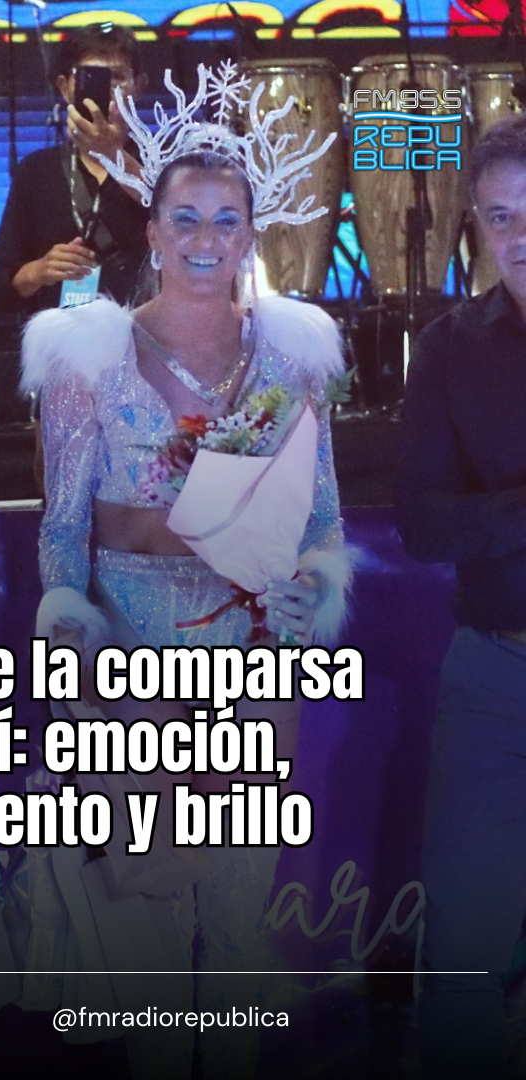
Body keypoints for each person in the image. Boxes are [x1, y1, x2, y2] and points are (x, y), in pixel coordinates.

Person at [20, 63, 351, 1078]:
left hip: (251, 654)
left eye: (226, 221)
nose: (206, 239)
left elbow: (323, 525)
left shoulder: (292, 360)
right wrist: (70, 620)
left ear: (250, 236)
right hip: (128, 654)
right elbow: (62, 533)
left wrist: (312, 592)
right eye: (186, 219)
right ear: (154, 231)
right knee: (145, 925)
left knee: (237, 917)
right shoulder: (88, 358)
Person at [396, 112, 526, 1080]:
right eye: (500, 216)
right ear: (476, 225)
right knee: (462, 969)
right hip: (494, 677)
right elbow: (425, 525)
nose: (520, 236)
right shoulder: (448, 347)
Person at [0, 21, 150, 315]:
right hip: (63, 333)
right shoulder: (37, 171)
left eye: (118, 77)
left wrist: (112, 154)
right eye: (91, 78)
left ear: (139, 86)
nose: (107, 89)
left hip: (147, 332)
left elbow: (169, 211)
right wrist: (38, 272)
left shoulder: (165, 164)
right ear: (64, 87)